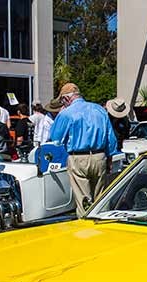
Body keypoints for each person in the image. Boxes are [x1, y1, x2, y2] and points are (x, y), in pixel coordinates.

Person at [48, 82, 118, 217]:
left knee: (84, 201)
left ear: (66, 98)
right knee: (101, 199)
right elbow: (111, 139)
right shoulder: (99, 110)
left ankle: (87, 229)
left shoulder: (66, 113)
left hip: (78, 158)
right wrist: (109, 159)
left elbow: (55, 138)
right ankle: (102, 227)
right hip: (99, 156)